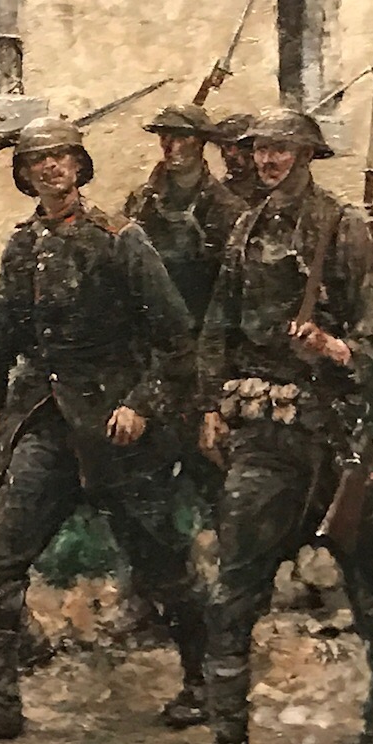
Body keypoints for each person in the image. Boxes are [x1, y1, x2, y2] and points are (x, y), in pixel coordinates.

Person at [0, 117, 207, 744]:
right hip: (46, 425)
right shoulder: (23, 245)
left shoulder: (120, 240)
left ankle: (206, 681)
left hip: (115, 429)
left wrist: (141, 404)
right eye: (38, 161)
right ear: (25, 175)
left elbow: (175, 339)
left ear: (80, 167)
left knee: (161, 563)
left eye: (61, 158)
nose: (51, 168)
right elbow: (2, 331)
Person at [176, 107, 373, 744]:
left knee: (368, 589)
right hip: (266, 441)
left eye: (281, 149)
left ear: (307, 154)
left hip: (337, 440)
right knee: (232, 596)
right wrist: (210, 406)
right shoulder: (245, 229)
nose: (268, 160)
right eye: (260, 150)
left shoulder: (344, 228)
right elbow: (216, 327)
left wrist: (333, 348)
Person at [124, 102, 248, 506]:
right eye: (165, 136)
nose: (170, 145)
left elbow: (234, 296)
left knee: (209, 464)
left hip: (205, 348)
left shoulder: (227, 210)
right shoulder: (142, 202)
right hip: (152, 352)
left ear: (200, 144)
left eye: (180, 137)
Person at [207, 111, 262, 203]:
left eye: (242, 147)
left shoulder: (273, 191)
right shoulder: (217, 194)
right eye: (227, 146)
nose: (232, 154)